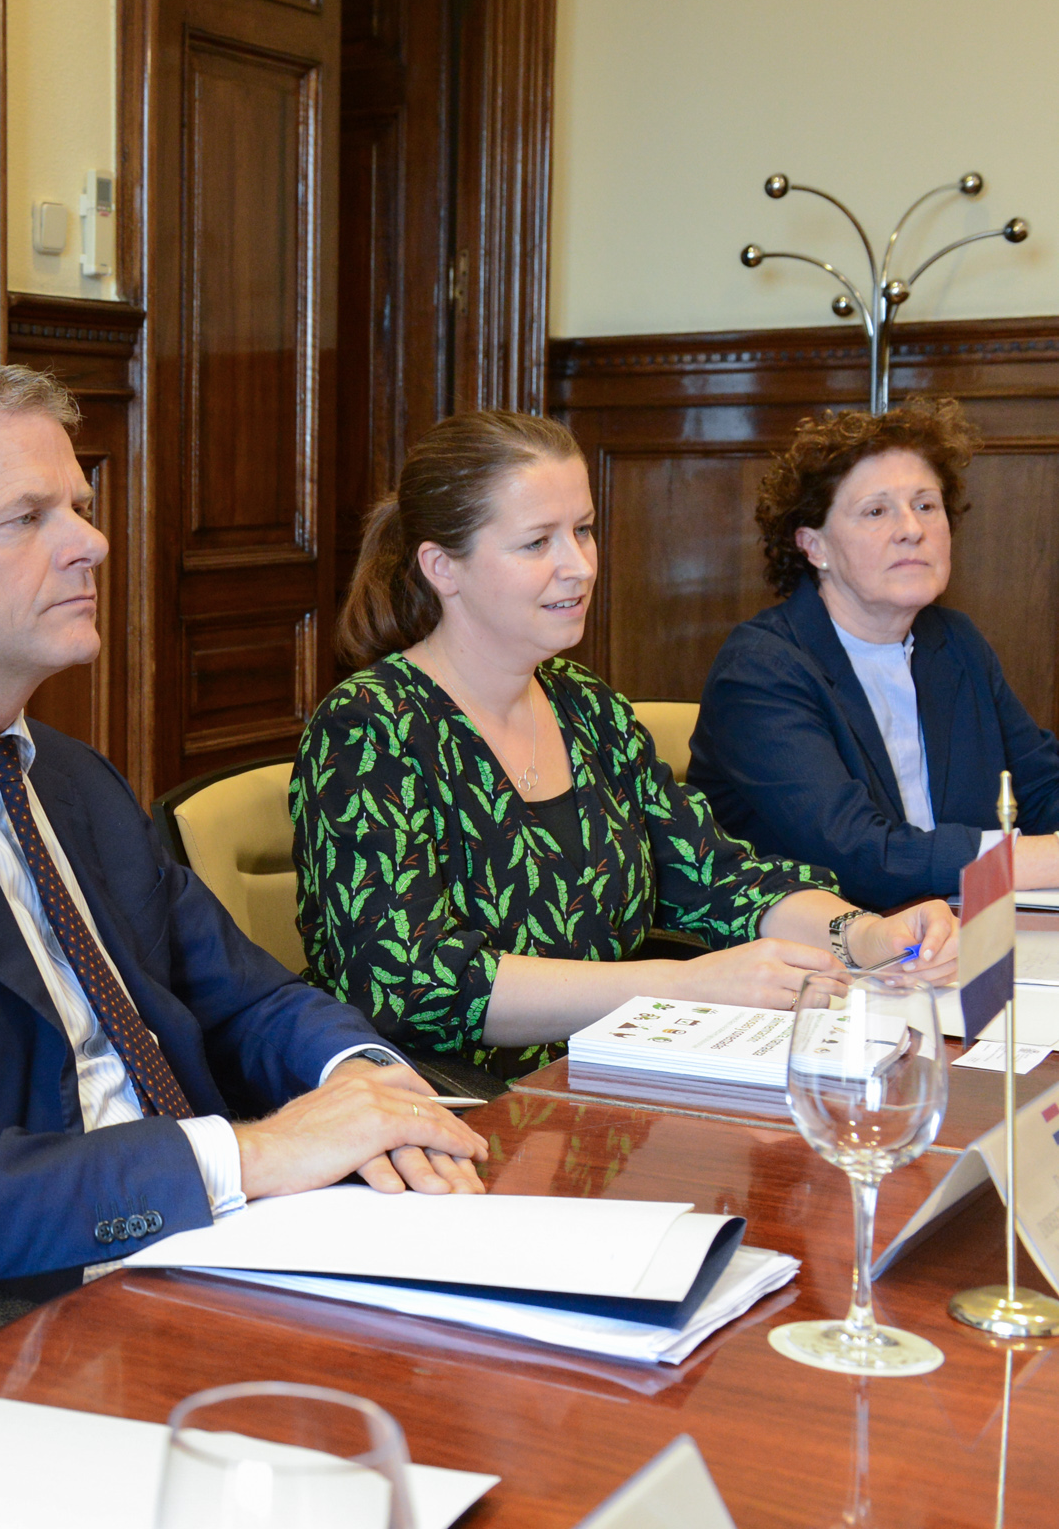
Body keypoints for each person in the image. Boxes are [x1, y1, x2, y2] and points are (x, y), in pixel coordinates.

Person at [0, 363, 489, 1451]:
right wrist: (248, 1158)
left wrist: (368, 1086)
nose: (92, 543)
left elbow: (247, 1000)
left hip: (205, 1263)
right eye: (28, 518)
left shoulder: (66, 775)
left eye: (81, 506)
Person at [289, 410, 957, 1078]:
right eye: (537, 543)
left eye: (582, 531)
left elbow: (716, 875)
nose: (578, 566)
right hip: (453, 1106)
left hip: (613, 1080)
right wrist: (682, 985)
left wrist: (862, 935)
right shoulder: (368, 726)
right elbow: (410, 984)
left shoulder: (586, 706)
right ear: (443, 567)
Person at [687, 399, 1059, 908]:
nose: (912, 529)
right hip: (823, 943)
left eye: (925, 505)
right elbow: (860, 857)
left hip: (963, 925)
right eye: (876, 511)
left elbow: (1041, 789)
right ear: (814, 546)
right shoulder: (759, 669)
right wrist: (1039, 859)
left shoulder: (955, 641)